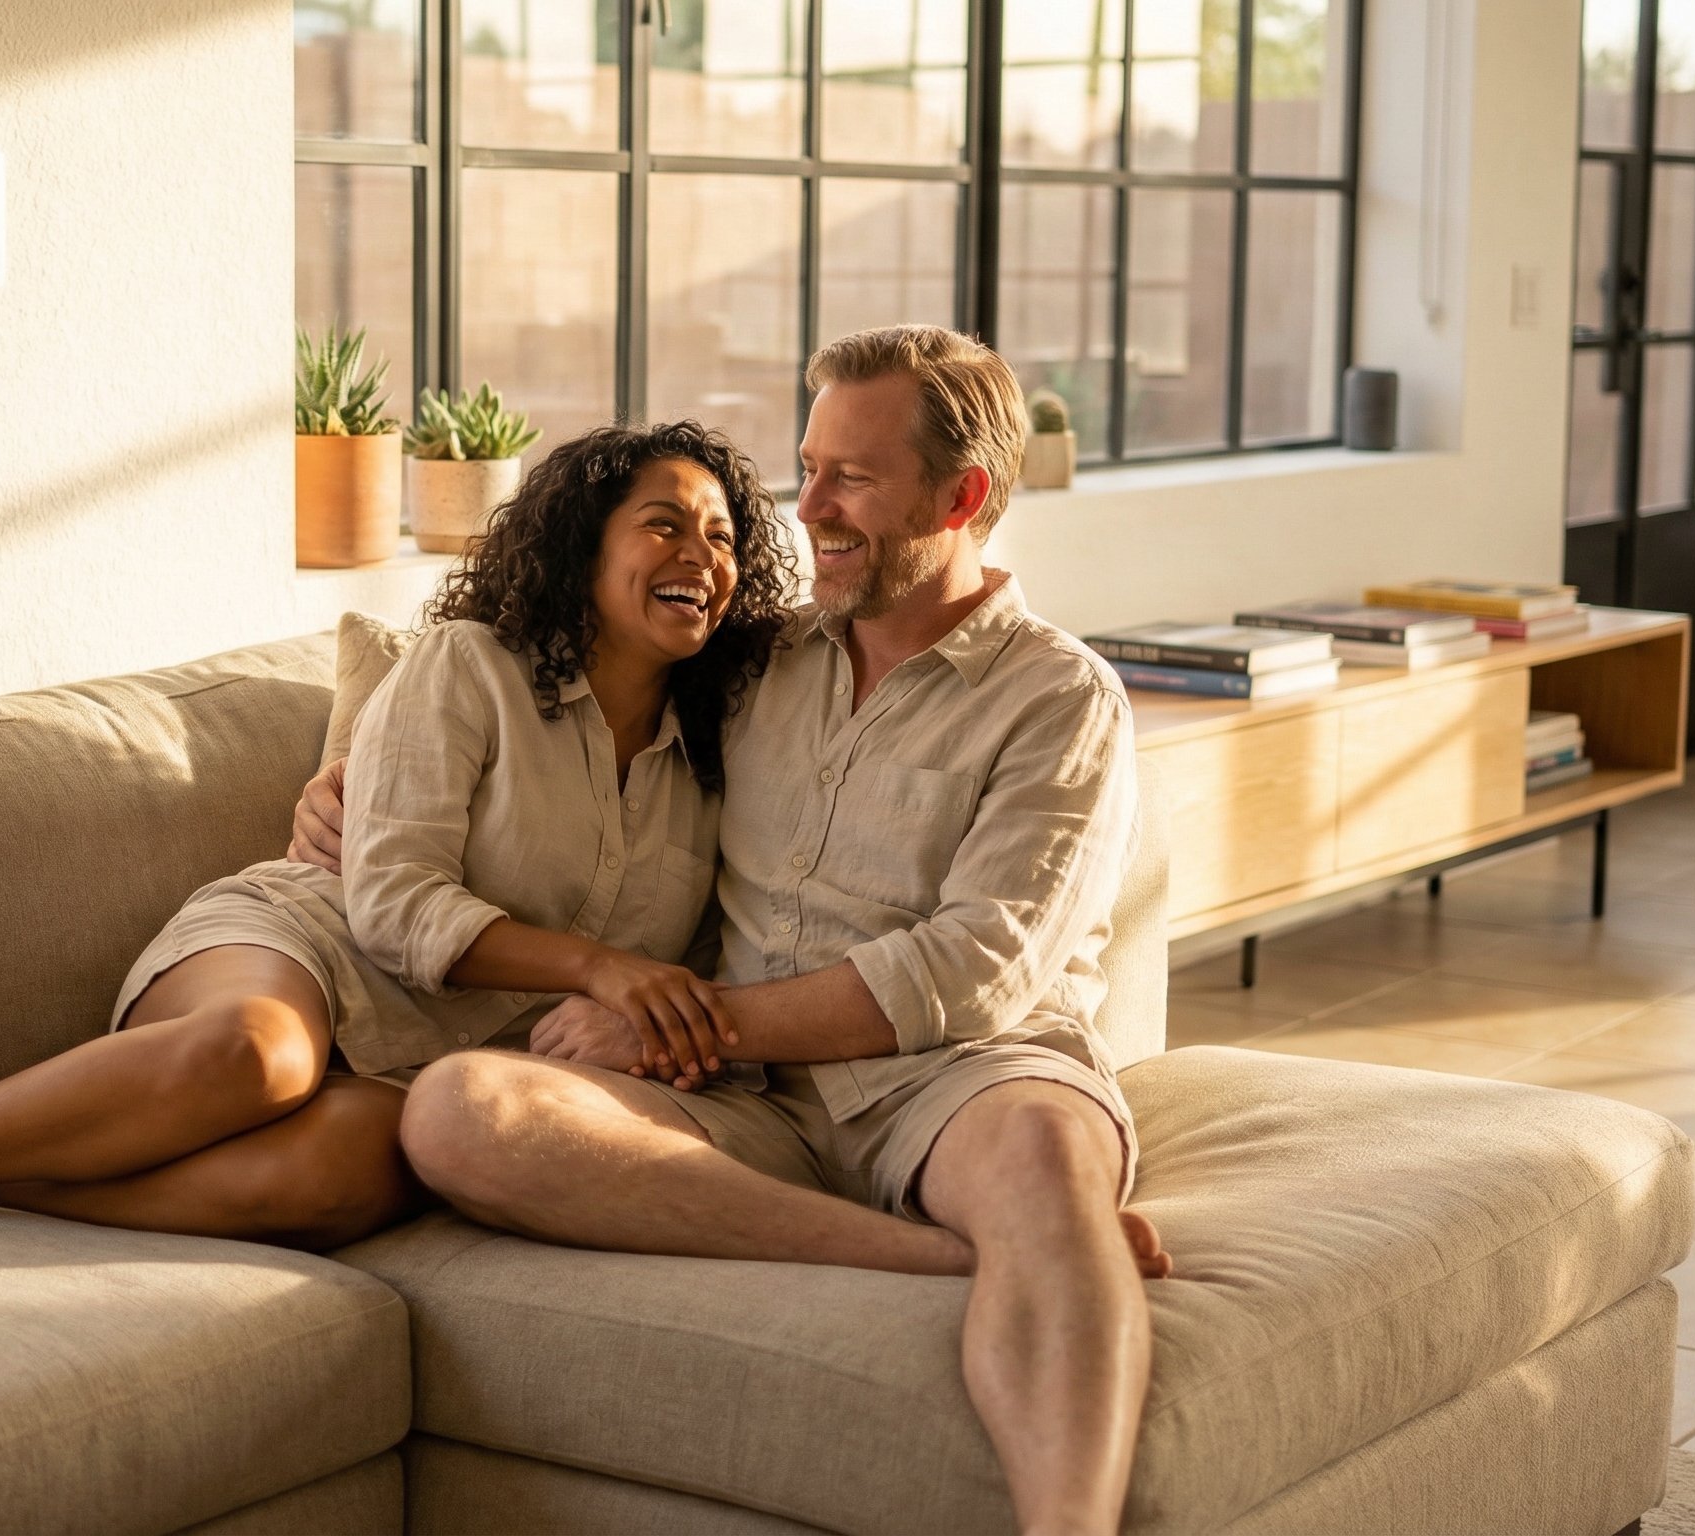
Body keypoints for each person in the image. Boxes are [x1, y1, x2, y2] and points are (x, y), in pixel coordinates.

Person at [290, 327, 1170, 1536]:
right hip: (743, 1098)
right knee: (458, 1110)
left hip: (951, 1080)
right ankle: (954, 1254)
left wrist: (668, 1020)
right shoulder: (751, 662)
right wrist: (344, 771)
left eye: (849, 478)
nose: (804, 508)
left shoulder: (1058, 698)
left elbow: (976, 970)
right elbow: (526, 659)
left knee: (1036, 1163)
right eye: (805, 468)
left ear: (962, 496)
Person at [0, 420, 796, 1250]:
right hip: (308, 942)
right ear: (581, 551)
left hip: (455, 1052)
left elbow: (706, 950)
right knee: (262, 1055)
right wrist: (600, 969)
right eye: (662, 524)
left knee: (333, 1187)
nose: (700, 554)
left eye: (720, 537)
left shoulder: (719, 756)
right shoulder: (469, 667)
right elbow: (392, 901)